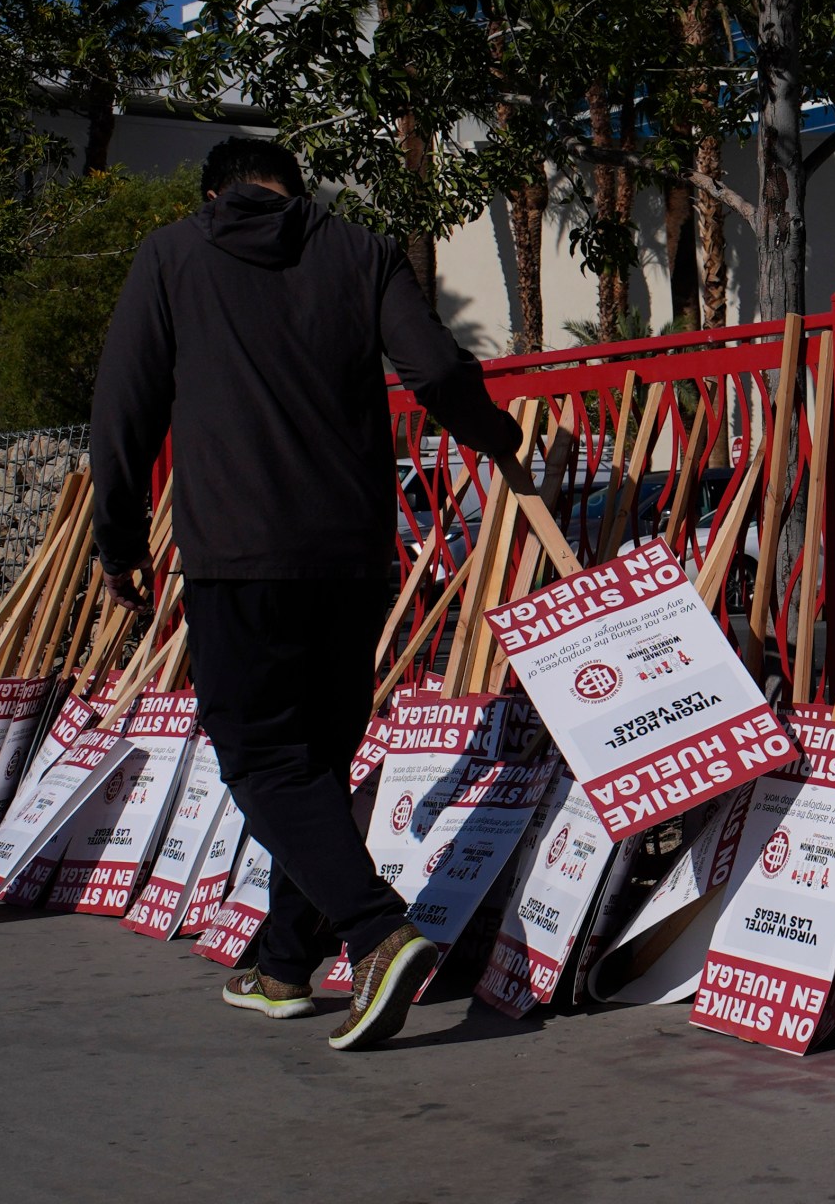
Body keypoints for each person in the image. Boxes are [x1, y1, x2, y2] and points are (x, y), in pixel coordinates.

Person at [91, 138, 525, 1050]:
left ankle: (376, 933)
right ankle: (285, 963)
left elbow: (124, 406)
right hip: (354, 559)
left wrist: (120, 540)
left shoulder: (172, 255)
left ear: (214, 192)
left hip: (239, 555)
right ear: (296, 187)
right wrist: (497, 436)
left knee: (259, 757)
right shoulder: (358, 249)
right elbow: (437, 372)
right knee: (317, 762)